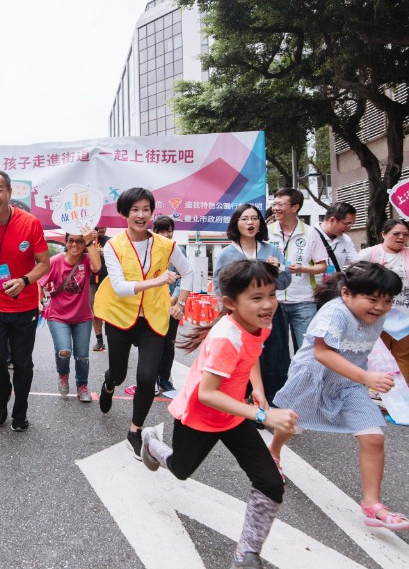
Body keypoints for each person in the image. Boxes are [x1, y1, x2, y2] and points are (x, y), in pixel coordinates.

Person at [140, 260, 297, 569]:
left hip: (233, 414)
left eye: (271, 294)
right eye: (256, 298)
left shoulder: (257, 323)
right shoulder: (226, 336)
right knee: (181, 470)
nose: (268, 305)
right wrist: (262, 416)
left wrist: (259, 390)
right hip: (199, 416)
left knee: (270, 484)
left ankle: (246, 554)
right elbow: (207, 393)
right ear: (230, 303)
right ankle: (150, 443)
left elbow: (250, 355)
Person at [269, 261, 409, 532]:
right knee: (292, 423)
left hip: (349, 383)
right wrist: (367, 378)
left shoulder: (379, 316)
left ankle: (372, 504)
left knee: (373, 437)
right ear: (346, 293)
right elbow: (322, 354)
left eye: (387, 301)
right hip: (313, 377)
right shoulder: (335, 312)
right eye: (372, 299)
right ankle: (274, 452)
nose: (380, 307)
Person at [92, 187, 193, 458]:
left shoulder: (165, 244)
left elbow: (189, 271)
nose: (140, 215)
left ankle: (134, 431)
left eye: (145, 209)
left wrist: (180, 303)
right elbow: (121, 287)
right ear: (124, 214)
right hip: (121, 316)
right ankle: (109, 384)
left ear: (151, 212)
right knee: (119, 373)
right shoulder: (113, 246)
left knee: (147, 377)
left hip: (153, 318)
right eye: (134, 210)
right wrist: (159, 281)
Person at [0, 170, 50, 431]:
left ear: (9, 193)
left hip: (25, 308)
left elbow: (44, 263)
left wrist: (24, 281)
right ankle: (2, 397)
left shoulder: (30, 223)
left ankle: (20, 411)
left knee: (23, 364)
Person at [213, 204, 292, 401]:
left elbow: (284, 282)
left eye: (255, 218)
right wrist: (226, 310)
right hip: (241, 316)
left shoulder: (271, 249)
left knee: (273, 358)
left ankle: (271, 401)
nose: (250, 223)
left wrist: (279, 267)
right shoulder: (226, 254)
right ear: (236, 224)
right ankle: (243, 398)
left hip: (269, 314)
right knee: (244, 357)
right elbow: (219, 285)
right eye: (245, 219)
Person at [357, 218, 409, 388]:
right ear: (384, 234)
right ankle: (376, 391)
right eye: (396, 234)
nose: (401, 238)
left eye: (405, 234)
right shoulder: (370, 253)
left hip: (406, 316)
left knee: (403, 356)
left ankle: (403, 392)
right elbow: (352, 276)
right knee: (378, 355)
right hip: (377, 316)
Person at [39, 226, 101, 402]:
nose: (74, 244)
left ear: (84, 243)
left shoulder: (88, 260)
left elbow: (97, 267)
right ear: (66, 242)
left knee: (82, 356)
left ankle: (82, 386)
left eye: (79, 241)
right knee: (64, 351)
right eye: (71, 240)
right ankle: (63, 375)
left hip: (82, 317)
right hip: (58, 316)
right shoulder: (55, 261)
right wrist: (38, 302)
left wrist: (89, 241)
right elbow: (40, 283)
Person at [265, 188, 328, 357]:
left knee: (307, 350)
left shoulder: (310, 233)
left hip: (304, 301)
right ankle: (282, 383)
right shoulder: (266, 232)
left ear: (295, 207)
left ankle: (305, 383)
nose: (275, 208)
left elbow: (322, 265)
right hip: (274, 300)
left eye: (280, 204)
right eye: (274, 204)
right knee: (277, 351)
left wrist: (303, 269)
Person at [150, 215, 183, 398]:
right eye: (161, 231)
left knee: (169, 345)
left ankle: (164, 378)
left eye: (169, 230)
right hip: (153, 306)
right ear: (155, 232)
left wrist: (175, 299)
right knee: (153, 343)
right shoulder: (149, 251)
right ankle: (152, 377)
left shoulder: (180, 250)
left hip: (173, 307)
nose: (166, 234)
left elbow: (184, 277)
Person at [313, 202, 359, 274]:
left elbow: (357, 263)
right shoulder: (309, 236)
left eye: (351, 225)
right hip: (311, 285)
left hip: (335, 284)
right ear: (332, 220)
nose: (349, 229)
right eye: (347, 224)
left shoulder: (346, 240)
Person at [89, 226, 111, 352]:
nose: (100, 230)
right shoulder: (86, 239)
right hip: (92, 280)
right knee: (94, 310)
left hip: (108, 279)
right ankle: (99, 340)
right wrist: (89, 240)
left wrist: (105, 253)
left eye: (103, 227)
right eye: (98, 227)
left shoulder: (110, 241)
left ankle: (112, 338)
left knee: (109, 310)